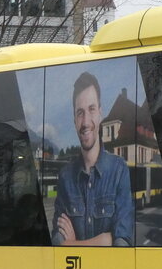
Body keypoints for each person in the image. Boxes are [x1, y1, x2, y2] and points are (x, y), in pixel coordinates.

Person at [51, 71, 134, 246]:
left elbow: (123, 242)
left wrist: (73, 244)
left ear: (100, 113)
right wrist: (104, 240)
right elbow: (58, 241)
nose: (86, 121)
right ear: (74, 120)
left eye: (91, 109)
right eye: (80, 112)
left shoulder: (119, 170)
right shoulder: (65, 177)